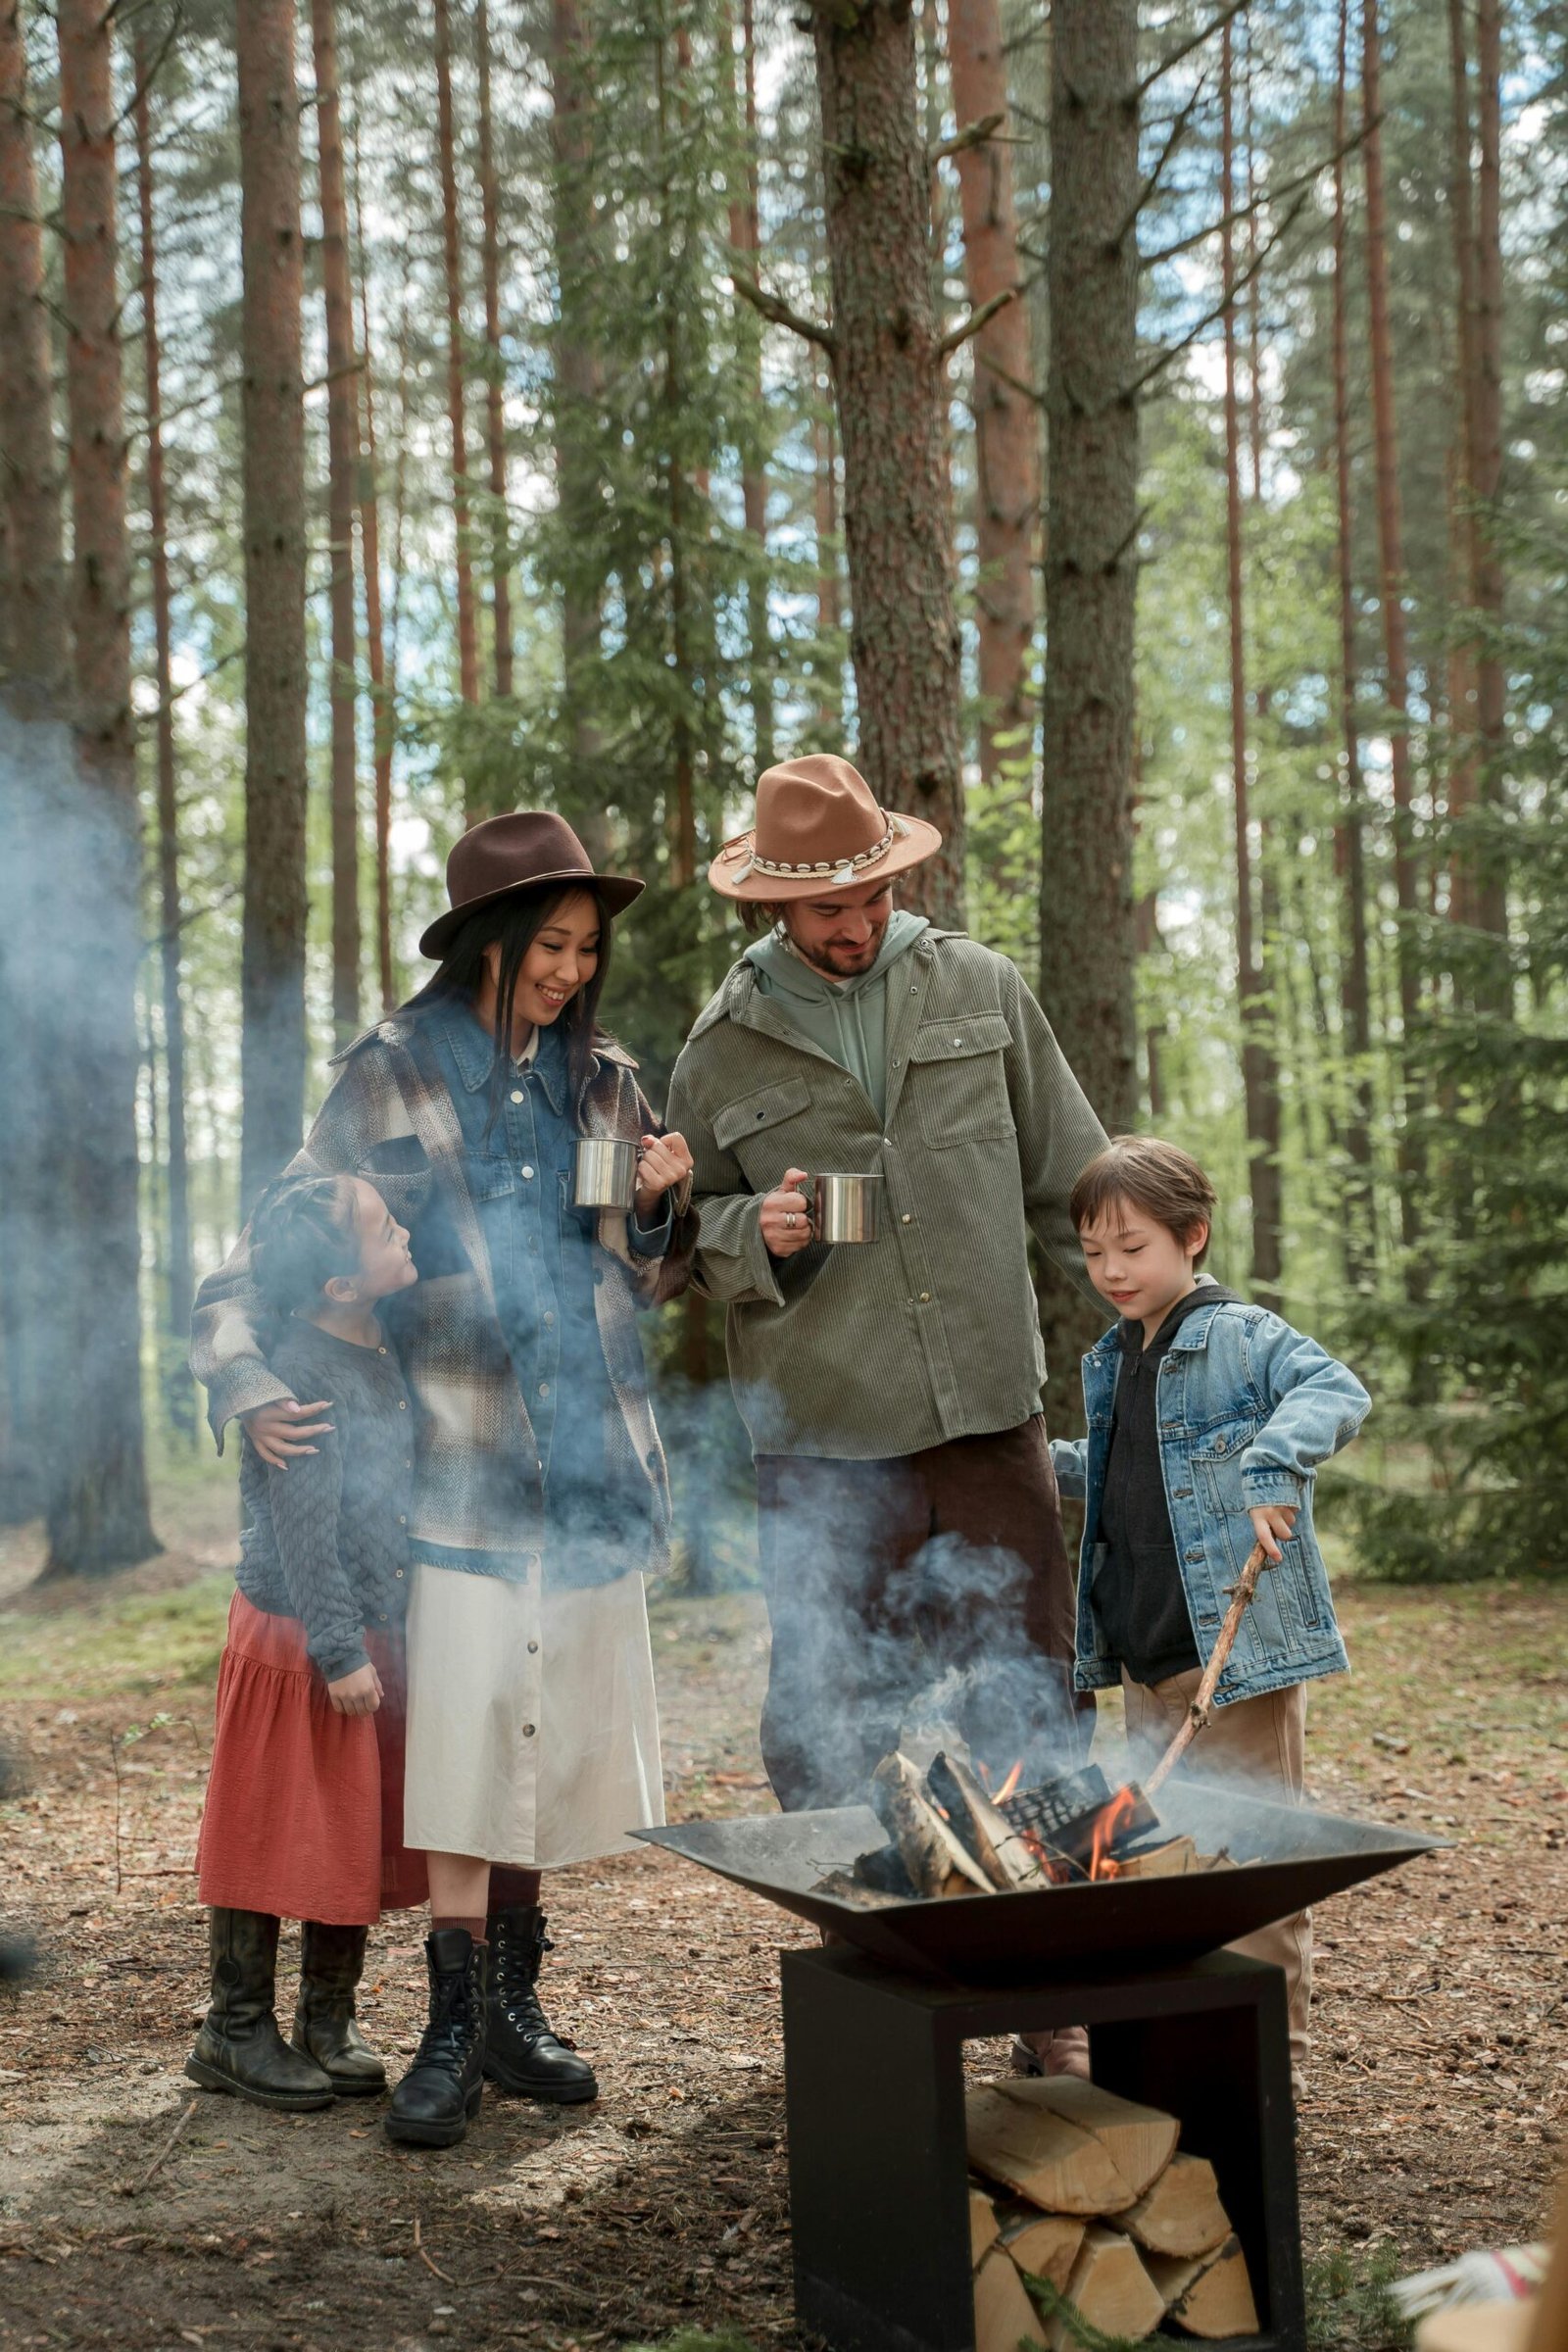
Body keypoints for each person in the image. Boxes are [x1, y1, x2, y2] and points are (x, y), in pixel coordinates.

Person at [193, 811, 696, 2150]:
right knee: (470, 1740)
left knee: (552, 1736)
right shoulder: (388, 1073)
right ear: (491, 937)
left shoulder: (609, 1083)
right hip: (455, 1463)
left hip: (587, 1458)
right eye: (551, 943)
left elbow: (644, 1279)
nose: (570, 970)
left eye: (589, 947)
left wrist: (659, 1208)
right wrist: (243, 1381)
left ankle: (519, 2011)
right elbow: (267, 1249)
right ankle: (451, 2023)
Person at [664, 754, 1108, 1811]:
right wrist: (748, 1230)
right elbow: (674, 1239)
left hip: (987, 1412)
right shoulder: (718, 1049)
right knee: (827, 1722)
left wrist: (1186, 1317)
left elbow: (1074, 1183)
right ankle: (862, 1940)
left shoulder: (979, 984)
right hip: (825, 1441)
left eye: (874, 898)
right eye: (827, 910)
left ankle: (1042, 1923)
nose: (857, 924)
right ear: (773, 906)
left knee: (1034, 1691)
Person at [1053, 1135, 1370, 2093]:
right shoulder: (1118, 1355)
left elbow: (1334, 1390)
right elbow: (1128, 1476)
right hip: (1146, 1651)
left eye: (1132, 1246)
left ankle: (1271, 2070)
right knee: (1169, 1861)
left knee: (1253, 1863)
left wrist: (1273, 1466)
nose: (1110, 1268)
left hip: (1230, 1652)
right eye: (1093, 1249)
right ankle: (1190, 2051)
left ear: (1190, 1237)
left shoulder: (1236, 1334)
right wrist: (1038, 1466)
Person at [188, 1170, 428, 2113]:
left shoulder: (377, 1337)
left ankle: (330, 2020)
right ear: (339, 1285)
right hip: (302, 1634)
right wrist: (339, 1650)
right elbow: (303, 1532)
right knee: (266, 1828)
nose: (402, 1227)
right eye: (382, 1227)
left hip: (360, 1626)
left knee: (350, 1828)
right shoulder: (300, 1382)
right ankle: (234, 2028)